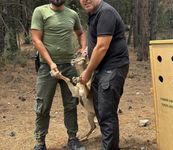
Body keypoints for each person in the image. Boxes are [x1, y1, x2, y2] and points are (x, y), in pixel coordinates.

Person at [31, 0, 87, 149]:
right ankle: (40, 142)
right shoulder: (40, 12)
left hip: (69, 66)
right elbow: (36, 39)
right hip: (46, 68)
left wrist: (83, 48)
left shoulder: (72, 14)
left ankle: (73, 138)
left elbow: (81, 33)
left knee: (70, 104)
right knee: (43, 105)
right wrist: (50, 63)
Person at [79, 0, 129, 149]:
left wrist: (87, 72)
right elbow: (97, 42)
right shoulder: (94, 13)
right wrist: (87, 50)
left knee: (106, 113)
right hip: (101, 69)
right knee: (101, 111)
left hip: (113, 68)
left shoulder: (105, 12)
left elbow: (102, 47)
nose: (85, 0)